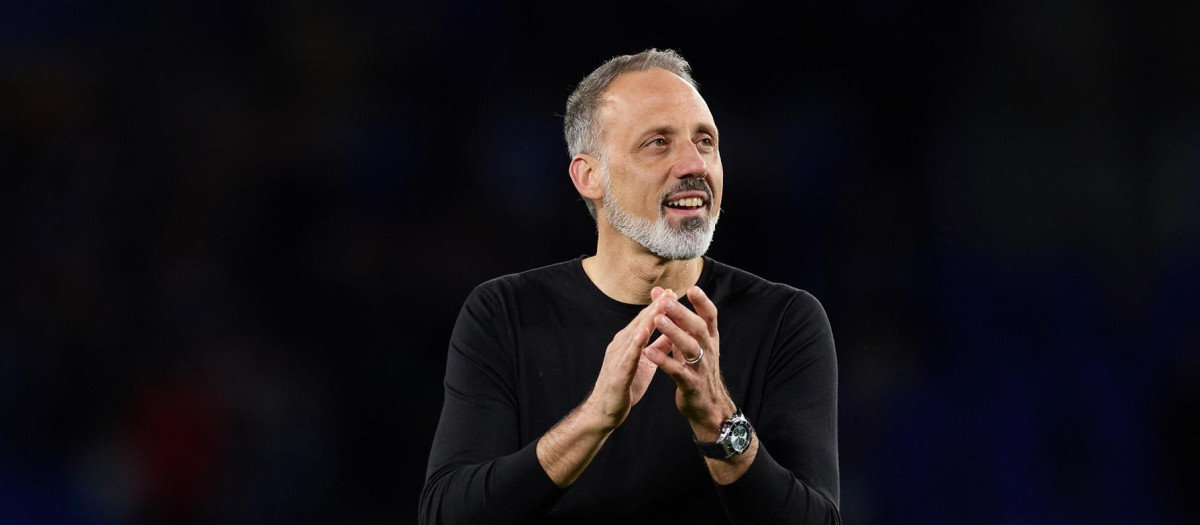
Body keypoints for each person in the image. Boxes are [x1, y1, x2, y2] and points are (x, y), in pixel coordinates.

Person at [419, 48, 840, 524]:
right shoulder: (505, 313)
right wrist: (595, 417)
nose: (694, 164)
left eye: (705, 142)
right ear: (589, 176)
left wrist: (717, 421)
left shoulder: (785, 321)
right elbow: (446, 515)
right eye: (658, 143)